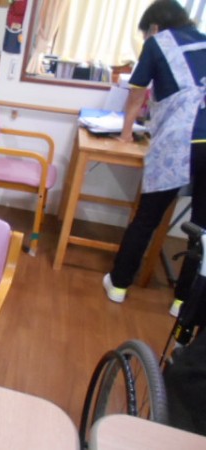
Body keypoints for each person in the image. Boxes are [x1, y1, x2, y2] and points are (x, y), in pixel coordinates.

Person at [103, 0, 206, 317]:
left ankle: (119, 284)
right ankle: (183, 301)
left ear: (155, 27)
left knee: (147, 218)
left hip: (180, 141)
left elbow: (136, 94)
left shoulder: (159, 42)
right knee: (202, 229)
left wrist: (125, 134)